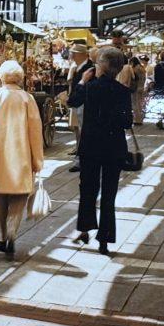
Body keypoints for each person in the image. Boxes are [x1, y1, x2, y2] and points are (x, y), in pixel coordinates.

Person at [0, 60, 44, 255]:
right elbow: (36, 131)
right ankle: (12, 231)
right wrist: (38, 160)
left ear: (2, 76)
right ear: (20, 78)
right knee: (20, 195)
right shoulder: (27, 99)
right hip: (21, 154)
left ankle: (0, 236)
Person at [70, 46, 132, 256]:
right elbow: (127, 122)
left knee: (87, 189)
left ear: (103, 66)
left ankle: (85, 229)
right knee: (109, 194)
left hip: (91, 147)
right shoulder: (123, 91)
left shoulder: (90, 87)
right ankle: (104, 240)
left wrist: (81, 81)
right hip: (114, 148)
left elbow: (72, 101)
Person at [65, 43, 94, 173]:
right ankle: (82, 159)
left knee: (84, 132)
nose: (71, 55)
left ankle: (82, 160)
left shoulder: (89, 69)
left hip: (85, 105)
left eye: (73, 53)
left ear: (80, 55)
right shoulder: (79, 67)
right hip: (79, 104)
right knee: (81, 132)